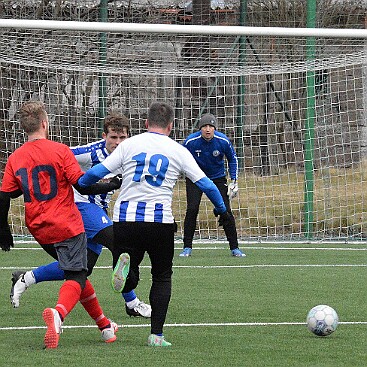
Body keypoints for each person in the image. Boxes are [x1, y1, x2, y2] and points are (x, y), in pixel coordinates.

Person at [77, 101, 232, 347]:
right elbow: (207, 185)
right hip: (160, 222)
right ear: (171, 126)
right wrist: (222, 211)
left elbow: (97, 172)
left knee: (130, 262)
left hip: (126, 219)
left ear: (146, 124)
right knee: (161, 276)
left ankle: (128, 274)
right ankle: (156, 335)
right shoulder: (179, 151)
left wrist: (82, 184)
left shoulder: (129, 144)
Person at [0, 101, 122, 349]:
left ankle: (105, 327)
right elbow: (82, 185)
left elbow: (5, 195)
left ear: (25, 127)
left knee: (74, 273)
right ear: (45, 123)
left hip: (39, 228)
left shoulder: (16, 157)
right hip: (66, 224)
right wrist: (110, 184)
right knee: (78, 274)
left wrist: (2, 228)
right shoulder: (59, 150)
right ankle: (58, 313)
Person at [9, 113, 151, 318]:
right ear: (104, 136)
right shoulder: (90, 153)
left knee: (82, 267)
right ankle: (132, 302)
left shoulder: (129, 156)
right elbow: (59, 155)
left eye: (122, 138)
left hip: (97, 212)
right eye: (113, 137)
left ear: (128, 138)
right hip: (80, 206)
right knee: (117, 242)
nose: (117, 143)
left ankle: (26, 277)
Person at [179, 113, 245, 257]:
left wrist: (234, 180)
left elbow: (232, 159)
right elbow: (180, 158)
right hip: (196, 178)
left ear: (214, 128)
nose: (208, 130)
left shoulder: (223, 141)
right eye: (204, 126)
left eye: (210, 126)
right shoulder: (191, 141)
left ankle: (235, 248)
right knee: (192, 209)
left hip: (217, 178)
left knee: (226, 211)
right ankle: (187, 247)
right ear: (200, 129)